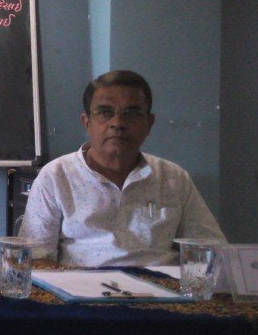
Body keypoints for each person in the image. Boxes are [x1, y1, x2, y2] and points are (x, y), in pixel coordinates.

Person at [19, 69, 226, 266]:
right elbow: (36, 258)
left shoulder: (173, 178)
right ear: (87, 122)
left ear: (149, 123)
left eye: (132, 113)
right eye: (104, 112)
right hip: (82, 287)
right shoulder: (56, 176)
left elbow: (212, 251)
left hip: (160, 287)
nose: (118, 123)